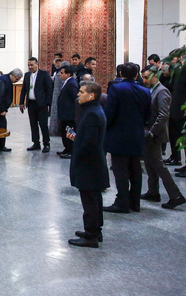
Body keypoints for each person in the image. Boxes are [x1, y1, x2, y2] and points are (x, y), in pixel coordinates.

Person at [103, 62, 151, 214]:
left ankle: (122, 201)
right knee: (136, 169)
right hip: (136, 134)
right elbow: (148, 115)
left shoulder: (116, 88)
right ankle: (135, 202)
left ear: (120, 74)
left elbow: (110, 113)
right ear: (137, 75)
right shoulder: (145, 91)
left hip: (119, 135)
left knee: (120, 170)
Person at [67, 81, 109, 248]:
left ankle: (91, 235)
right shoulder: (92, 110)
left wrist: (77, 146)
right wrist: (77, 137)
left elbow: (89, 143)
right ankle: (95, 230)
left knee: (90, 200)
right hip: (93, 163)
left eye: (82, 92)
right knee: (94, 198)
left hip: (89, 164)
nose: (78, 94)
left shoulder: (92, 113)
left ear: (91, 96)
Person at [140, 66, 186, 209]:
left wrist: (152, 132)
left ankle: (176, 195)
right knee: (150, 164)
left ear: (156, 75)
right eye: (143, 77)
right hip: (149, 133)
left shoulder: (162, 91)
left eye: (147, 77)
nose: (144, 80)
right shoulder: (152, 90)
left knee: (159, 165)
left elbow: (163, 115)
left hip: (155, 134)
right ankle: (153, 191)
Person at [19, 57, 53, 152]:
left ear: (37, 64)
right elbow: (24, 90)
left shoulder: (44, 74)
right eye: (28, 65)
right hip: (31, 104)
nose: (30, 67)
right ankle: (36, 142)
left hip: (42, 104)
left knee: (43, 124)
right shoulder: (27, 75)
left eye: (32, 65)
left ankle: (46, 143)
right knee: (33, 124)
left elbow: (49, 89)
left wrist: (47, 103)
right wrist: (21, 102)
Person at [0, 68, 22, 152]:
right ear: (12, 75)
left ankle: (0, 145)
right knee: (1, 127)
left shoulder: (6, 79)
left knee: (2, 126)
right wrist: (1, 110)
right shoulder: (4, 81)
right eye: (16, 79)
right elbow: (0, 97)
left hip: (2, 109)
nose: (16, 81)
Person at [57, 65, 79, 159]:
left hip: (69, 114)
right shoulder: (67, 82)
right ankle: (67, 148)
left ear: (68, 74)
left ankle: (71, 150)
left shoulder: (72, 83)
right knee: (64, 132)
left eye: (62, 73)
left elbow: (75, 99)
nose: (60, 75)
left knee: (70, 133)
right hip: (64, 114)